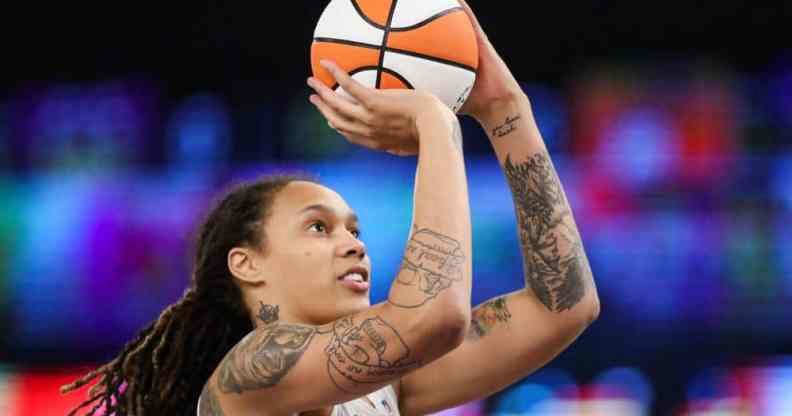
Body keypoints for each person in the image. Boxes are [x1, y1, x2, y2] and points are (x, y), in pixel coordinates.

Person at [62, 1, 599, 415]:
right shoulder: (249, 373)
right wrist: (436, 125)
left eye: (354, 230)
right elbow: (433, 316)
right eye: (318, 227)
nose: (353, 245)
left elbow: (564, 307)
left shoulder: (381, 389)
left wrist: (506, 110)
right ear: (247, 263)